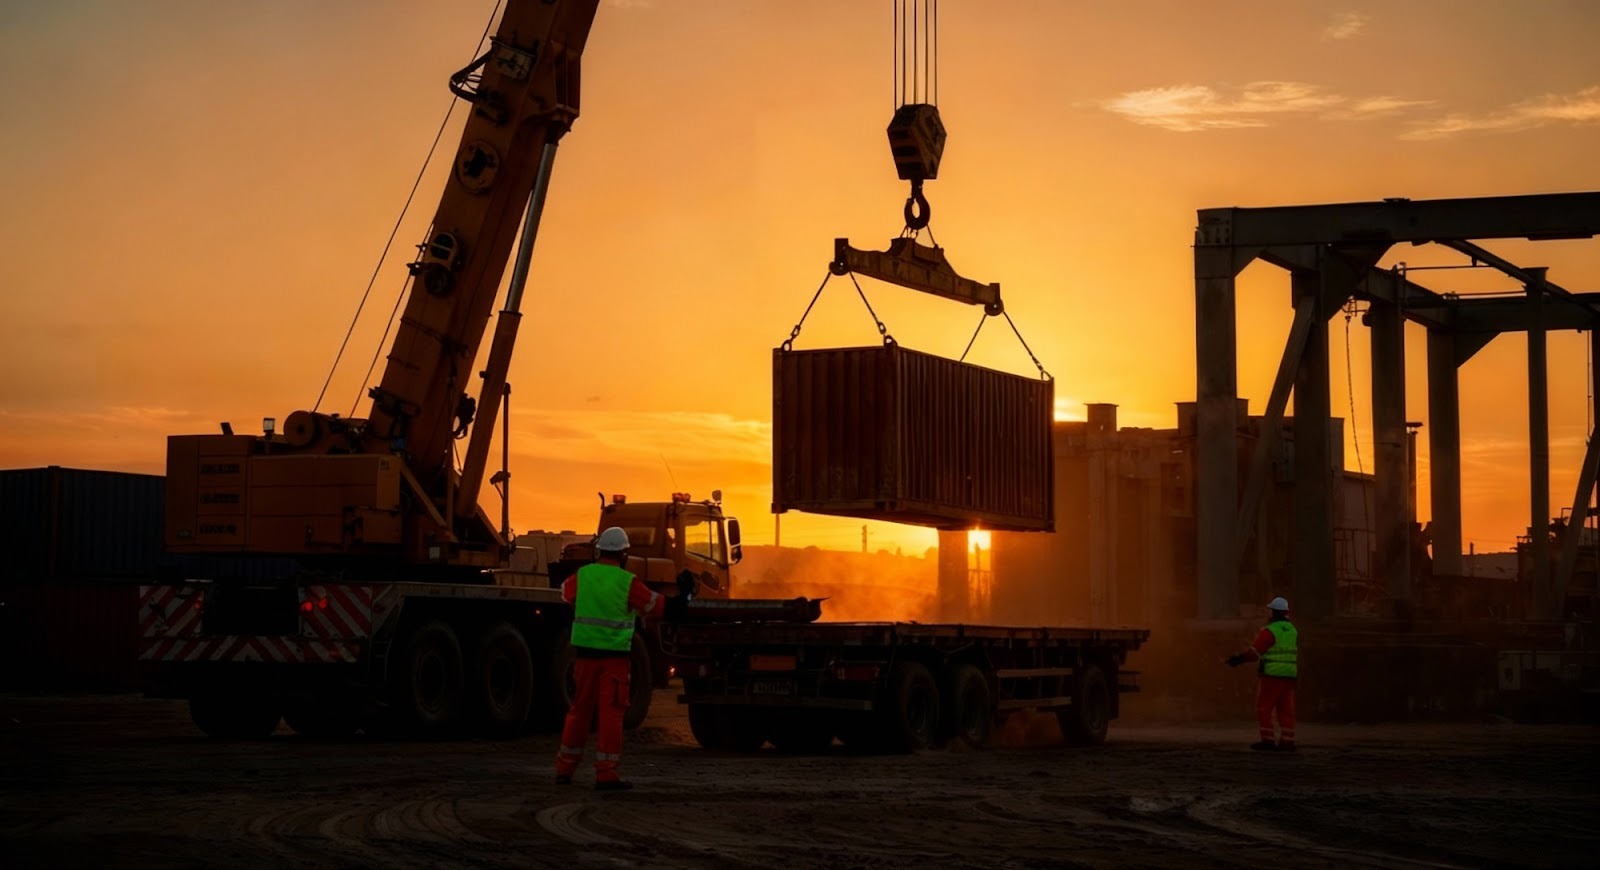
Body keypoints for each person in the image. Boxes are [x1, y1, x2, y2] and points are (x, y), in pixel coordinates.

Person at [554, 526, 690, 790]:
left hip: (583, 659)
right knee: (611, 715)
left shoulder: (583, 576)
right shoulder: (627, 582)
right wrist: (684, 596)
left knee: (578, 713)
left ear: (599, 551)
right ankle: (606, 774)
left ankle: (564, 770)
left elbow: (565, 595)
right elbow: (658, 607)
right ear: (624, 554)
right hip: (614, 661)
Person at [1225, 596, 1298, 752]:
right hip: (1290, 676)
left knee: (1264, 708)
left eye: (1270, 610)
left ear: (1274, 612)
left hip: (1272, 675)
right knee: (1286, 710)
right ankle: (1288, 741)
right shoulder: (1292, 630)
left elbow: (1254, 653)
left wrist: (1237, 659)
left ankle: (1268, 741)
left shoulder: (1269, 631)